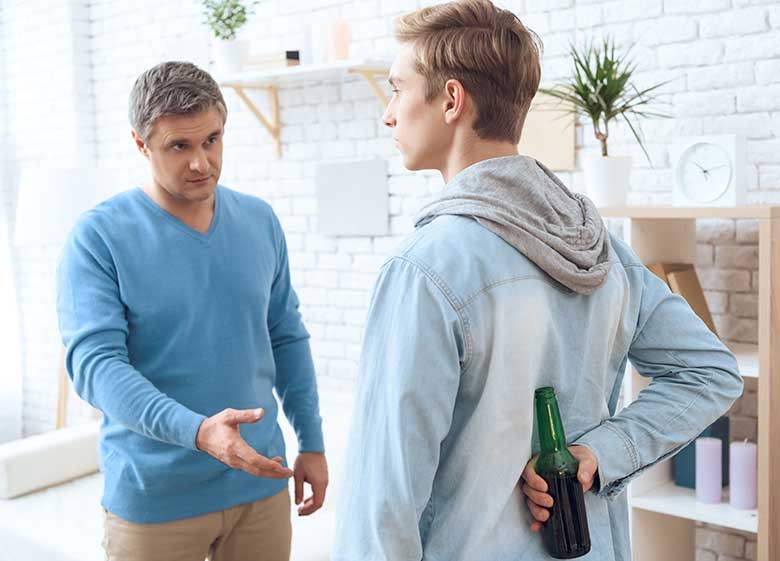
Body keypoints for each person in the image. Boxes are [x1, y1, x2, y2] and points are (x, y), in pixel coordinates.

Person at [330, 2, 743, 560]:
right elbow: (711, 372)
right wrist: (603, 449)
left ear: (451, 100)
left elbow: (382, 506)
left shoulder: (425, 270)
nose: (388, 114)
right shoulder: (601, 249)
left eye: (397, 89)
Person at [56, 61, 327, 561]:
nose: (201, 162)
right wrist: (200, 433)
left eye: (212, 140)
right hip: (155, 499)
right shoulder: (99, 236)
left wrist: (311, 440)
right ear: (141, 144)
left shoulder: (259, 220)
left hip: (260, 484)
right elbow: (97, 367)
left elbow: (285, 335)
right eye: (179, 146)